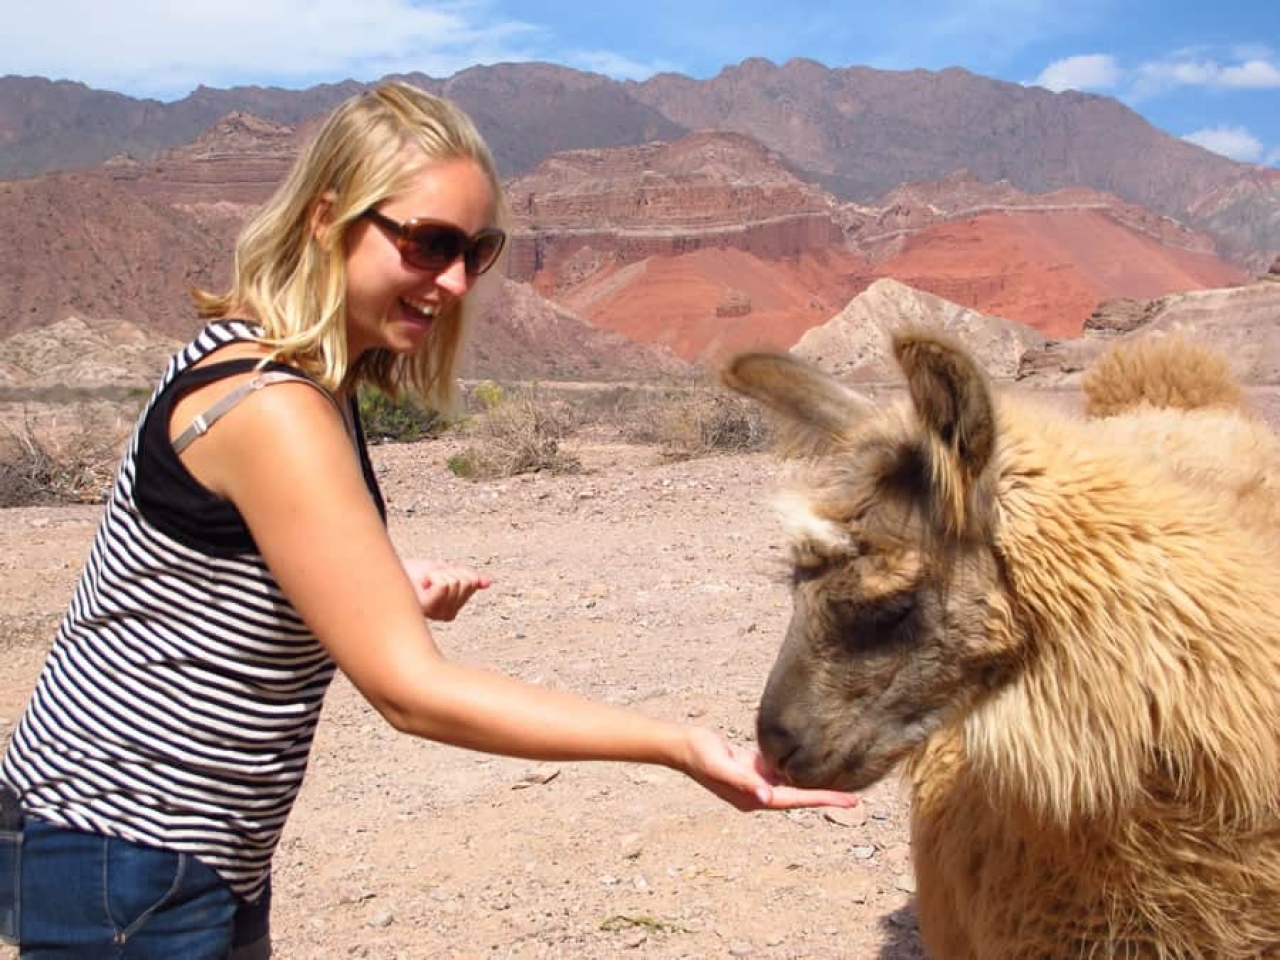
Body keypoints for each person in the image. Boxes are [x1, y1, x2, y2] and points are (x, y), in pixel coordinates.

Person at [0, 81, 856, 959]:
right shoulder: (273, 407)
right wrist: (680, 745)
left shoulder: (284, 368)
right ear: (327, 219)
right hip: (128, 850)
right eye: (426, 242)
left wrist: (373, 586)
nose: (451, 281)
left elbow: (213, 573)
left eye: (475, 251)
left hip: (168, 850)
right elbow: (411, 695)